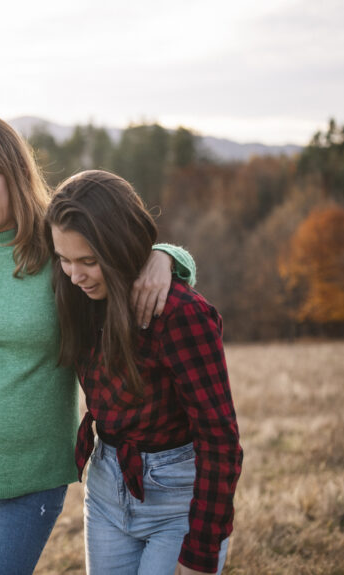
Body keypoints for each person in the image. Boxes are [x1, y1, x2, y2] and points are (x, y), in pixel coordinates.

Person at [0, 116, 196, 575]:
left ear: (14, 171)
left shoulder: (57, 243)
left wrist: (167, 257)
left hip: (33, 472)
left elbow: (123, 255)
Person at [45, 169, 243, 575]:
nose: (74, 274)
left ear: (119, 248)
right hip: (104, 488)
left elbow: (219, 437)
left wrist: (201, 551)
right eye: (64, 260)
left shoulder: (179, 314)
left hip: (177, 500)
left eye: (88, 261)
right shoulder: (77, 297)